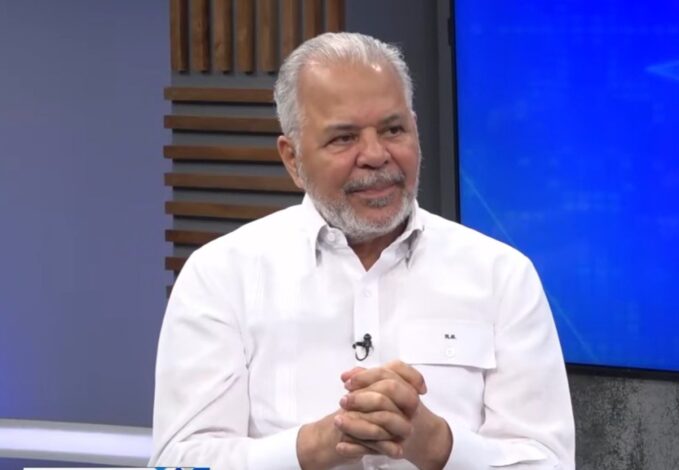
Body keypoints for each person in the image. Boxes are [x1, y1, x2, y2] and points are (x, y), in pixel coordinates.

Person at [150, 32, 575, 470]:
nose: (375, 155)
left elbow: (548, 463)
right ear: (293, 159)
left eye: (393, 130)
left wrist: (437, 445)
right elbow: (179, 460)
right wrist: (314, 445)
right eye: (344, 138)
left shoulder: (502, 276)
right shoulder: (221, 276)